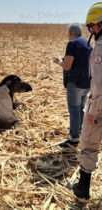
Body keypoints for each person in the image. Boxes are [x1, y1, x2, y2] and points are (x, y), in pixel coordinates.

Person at [71, 2, 102, 201]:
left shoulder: (100, 48)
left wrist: (93, 110)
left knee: (89, 144)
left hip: (99, 103)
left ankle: (82, 189)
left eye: (91, 26)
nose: (90, 30)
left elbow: (98, 82)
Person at [53, 24, 92, 148]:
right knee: (81, 109)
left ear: (70, 33)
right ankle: (80, 133)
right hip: (87, 83)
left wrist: (58, 61)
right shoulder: (87, 44)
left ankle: (74, 139)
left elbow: (67, 66)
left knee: (74, 110)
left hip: (75, 83)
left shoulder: (72, 44)